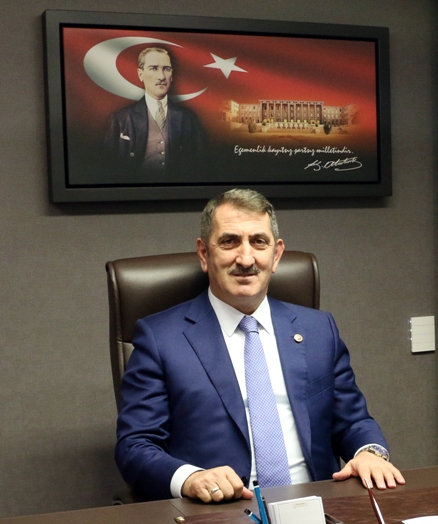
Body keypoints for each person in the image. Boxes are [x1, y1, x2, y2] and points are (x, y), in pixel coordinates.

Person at [115, 188, 405, 502]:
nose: (246, 258)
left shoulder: (319, 330)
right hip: (220, 510)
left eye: (258, 241)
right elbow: (135, 446)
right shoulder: (160, 338)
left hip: (317, 508)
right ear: (204, 254)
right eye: (229, 241)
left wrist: (369, 453)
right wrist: (191, 478)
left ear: (276, 255)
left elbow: (353, 421)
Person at [103, 47, 206, 182]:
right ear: (140, 74)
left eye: (166, 69)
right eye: (153, 68)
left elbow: (199, 167)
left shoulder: (189, 119)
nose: (161, 76)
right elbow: (108, 168)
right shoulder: (120, 119)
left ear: (172, 75)